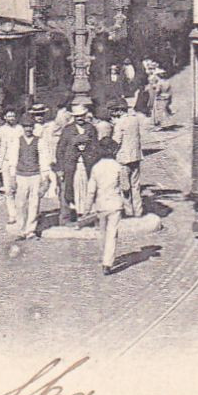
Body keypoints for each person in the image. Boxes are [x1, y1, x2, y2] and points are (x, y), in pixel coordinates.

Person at [89, 137, 129, 274]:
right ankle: (108, 262)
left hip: (101, 204)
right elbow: (125, 187)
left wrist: (86, 208)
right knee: (112, 234)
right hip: (115, 204)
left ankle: (104, 256)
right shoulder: (118, 167)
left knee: (102, 233)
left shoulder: (96, 167)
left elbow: (91, 190)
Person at [56, 104, 101, 225]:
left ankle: (89, 215)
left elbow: (96, 147)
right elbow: (60, 149)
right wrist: (60, 167)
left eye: (82, 116)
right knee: (72, 189)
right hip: (72, 166)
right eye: (77, 116)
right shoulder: (68, 130)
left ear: (86, 115)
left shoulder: (91, 128)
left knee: (89, 189)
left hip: (88, 165)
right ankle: (72, 216)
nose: (80, 118)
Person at [11, 112, 51, 240]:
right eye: (25, 126)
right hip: (21, 175)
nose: (28, 129)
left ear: (33, 127)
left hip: (35, 175)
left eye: (30, 126)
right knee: (20, 203)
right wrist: (12, 177)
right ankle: (21, 229)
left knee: (34, 203)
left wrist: (45, 178)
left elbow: (44, 160)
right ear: (22, 127)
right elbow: (13, 159)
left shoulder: (39, 141)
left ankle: (30, 230)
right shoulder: (17, 141)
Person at [112, 100, 148, 217]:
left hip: (124, 158)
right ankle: (138, 211)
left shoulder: (120, 123)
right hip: (136, 156)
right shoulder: (135, 119)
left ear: (119, 110)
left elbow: (116, 141)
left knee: (124, 187)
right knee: (136, 186)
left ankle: (128, 212)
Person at [0, 108, 25, 229]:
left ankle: (21, 213)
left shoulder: (20, 129)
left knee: (19, 188)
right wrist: (4, 155)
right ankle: (12, 215)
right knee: (8, 189)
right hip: (6, 162)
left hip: (19, 161)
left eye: (13, 116)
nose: (11, 118)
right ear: (5, 117)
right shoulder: (1, 130)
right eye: (9, 116)